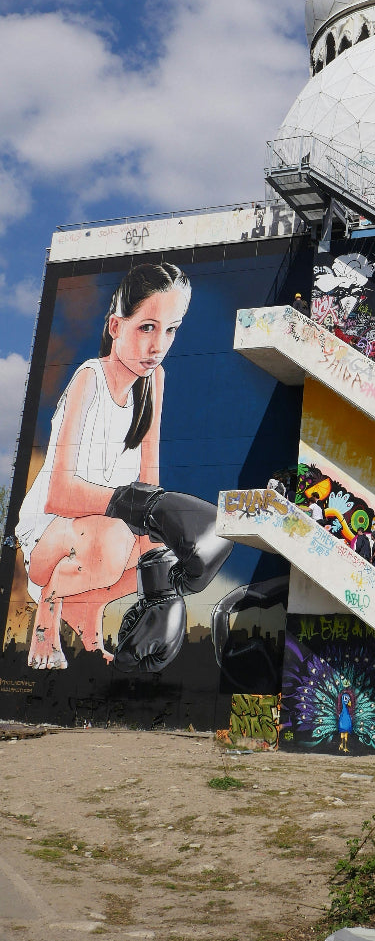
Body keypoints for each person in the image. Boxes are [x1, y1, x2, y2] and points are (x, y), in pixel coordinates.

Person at [16, 263, 230, 673]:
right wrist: (143, 506)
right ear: (116, 326)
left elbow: (150, 479)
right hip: (49, 536)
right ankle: (50, 607)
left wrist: (161, 592)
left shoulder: (154, 380)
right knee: (116, 535)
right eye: (147, 327)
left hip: (101, 537)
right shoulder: (88, 378)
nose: (158, 345)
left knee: (167, 558)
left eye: (171, 329)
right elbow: (59, 494)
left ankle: (88, 612)